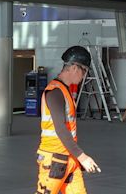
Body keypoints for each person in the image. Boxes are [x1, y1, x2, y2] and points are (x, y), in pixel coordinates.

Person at [35, 45, 100, 194]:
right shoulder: (55, 92)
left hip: (69, 159)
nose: (84, 76)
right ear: (75, 68)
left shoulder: (65, 91)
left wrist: (76, 157)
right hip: (54, 160)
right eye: (84, 71)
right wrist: (82, 156)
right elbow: (60, 128)